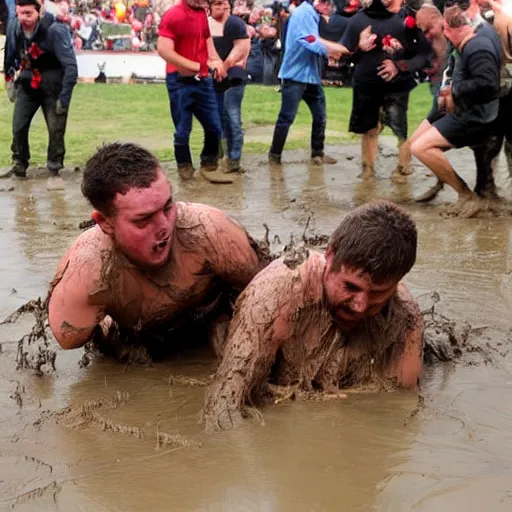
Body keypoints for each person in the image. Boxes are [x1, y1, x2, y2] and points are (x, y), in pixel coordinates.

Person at [203, 200, 424, 432]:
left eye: (378, 293)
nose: (360, 306)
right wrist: (310, 402)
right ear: (329, 255)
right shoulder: (277, 293)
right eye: (350, 287)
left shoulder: (406, 320)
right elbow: (225, 405)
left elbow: (398, 411)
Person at [47, 143, 269, 361]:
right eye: (144, 219)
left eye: (168, 206)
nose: (164, 226)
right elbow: (69, 341)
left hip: (215, 313)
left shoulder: (211, 232)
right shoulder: (86, 274)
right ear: (105, 223)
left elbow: (268, 292)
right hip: (145, 341)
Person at [411, 5, 501, 218]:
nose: (444, 35)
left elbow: (489, 84)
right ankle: (452, 184)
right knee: (416, 143)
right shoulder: (467, 42)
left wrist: (455, 91)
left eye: (446, 30)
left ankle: (466, 195)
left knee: (421, 147)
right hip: (465, 111)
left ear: (454, 28)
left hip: (475, 117)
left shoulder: (477, 47)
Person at [339, 0, 431, 181]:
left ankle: (404, 167)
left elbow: (422, 54)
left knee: (400, 128)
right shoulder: (357, 21)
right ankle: (368, 169)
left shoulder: (407, 21)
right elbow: (343, 55)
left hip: (396, 85)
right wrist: (360, 47)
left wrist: (399, 65)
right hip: (366, 84)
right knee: (369, 128)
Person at [2, 0, 77, 190]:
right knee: (18, 125)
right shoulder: (14, 26)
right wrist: (8, 78)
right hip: (28, 80)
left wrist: (64, 98)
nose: (23, 18)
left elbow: (70, 66)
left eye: (28, 14)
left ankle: (54, 168)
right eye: (19, 13)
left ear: (40, 11)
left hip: (53, 82)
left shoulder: (56, 29)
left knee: (55, 127)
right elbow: (10, 53)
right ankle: (19, 164)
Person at [157, 0, 231, 184]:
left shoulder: (201, 13)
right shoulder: (174, 15)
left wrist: (216, 61)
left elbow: (207, 40)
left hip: (202, 80)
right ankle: (184, 166)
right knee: (183, 129)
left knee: (214, 126)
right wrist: (198, 66)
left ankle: (209, 165)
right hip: (179, 81)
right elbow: (164, 50)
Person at [268, 0, 346, 165]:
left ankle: (317, 153)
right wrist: (330, 51)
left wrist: (329, 50)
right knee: (286, 117)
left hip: (309, 75)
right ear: (320, 2)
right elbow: (308, 40)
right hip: (295, 75)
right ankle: (275, 155)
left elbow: (312, 39)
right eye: (328, 5)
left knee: (320, 115)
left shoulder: (309, 12)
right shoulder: (304, 13)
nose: (330, 9)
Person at [208, 0, 250, 173]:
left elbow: (241, 50)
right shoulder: (206, 25)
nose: (219, 7)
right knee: (215, 118)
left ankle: (233, 159)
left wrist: (223, 67)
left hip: (233, 76)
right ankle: (216, 157)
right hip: (214, 76)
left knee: (232, 118)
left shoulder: (236, 24)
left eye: (222, 3)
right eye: (215, 3)